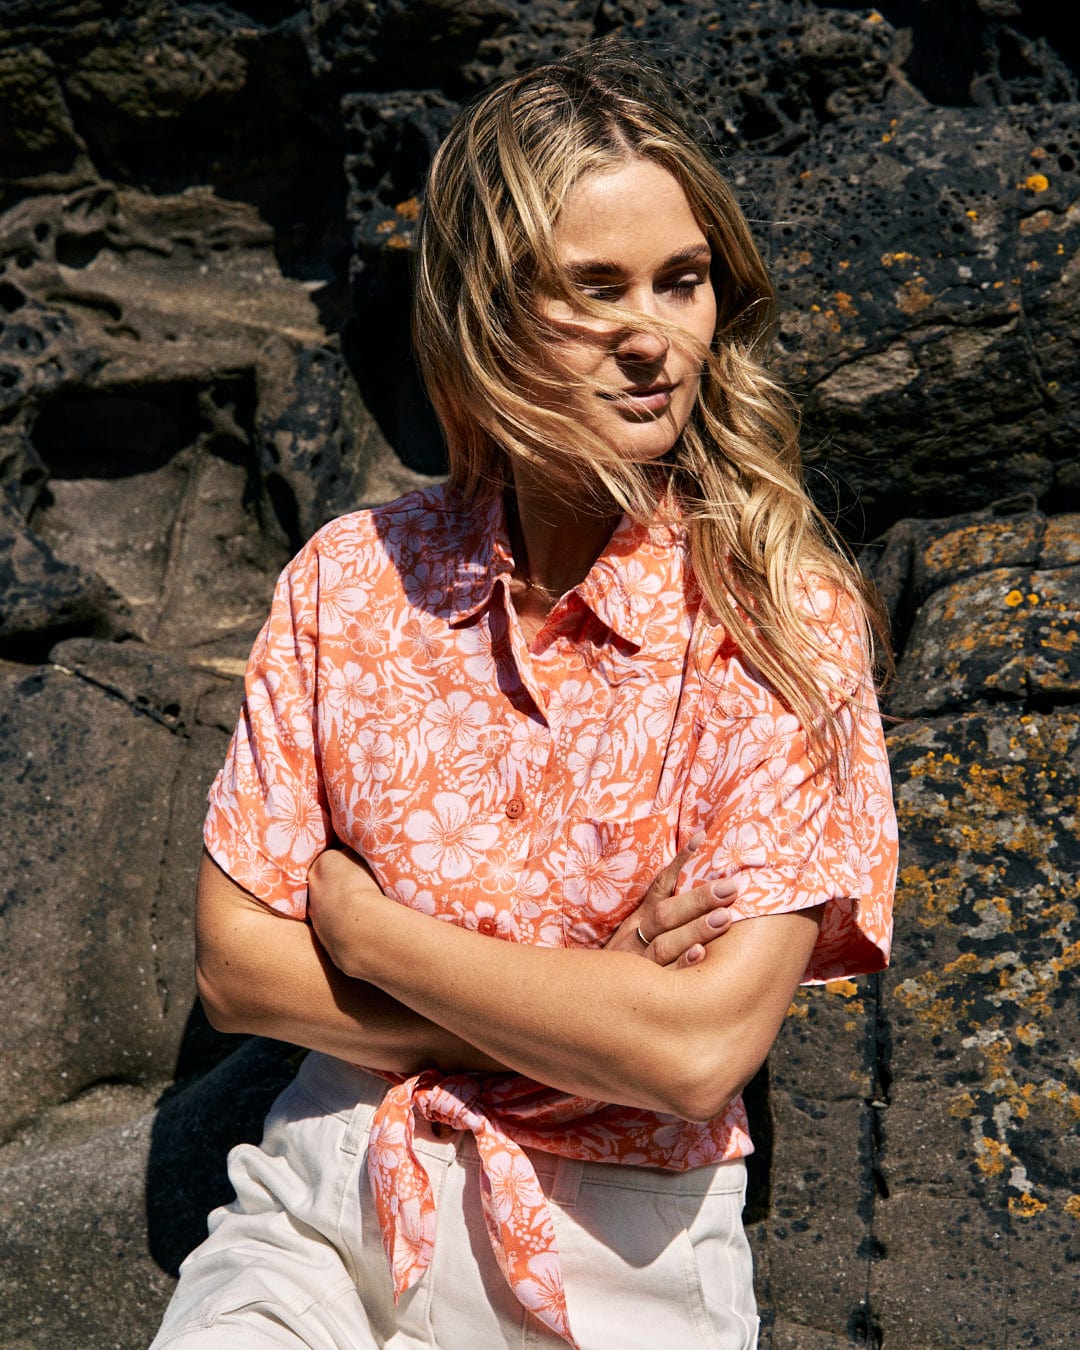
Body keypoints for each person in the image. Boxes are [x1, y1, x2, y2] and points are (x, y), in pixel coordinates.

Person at [151, 38, 897, 1350]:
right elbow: (237, 967)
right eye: (592, 288)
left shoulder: (783, 626)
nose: (651, 337)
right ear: (490, 310)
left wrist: (372, 934)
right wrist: (574, 1004)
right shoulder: (350, 586)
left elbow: (692, 1052)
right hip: (325, 1205)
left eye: (681, 282)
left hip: (623, 1250)